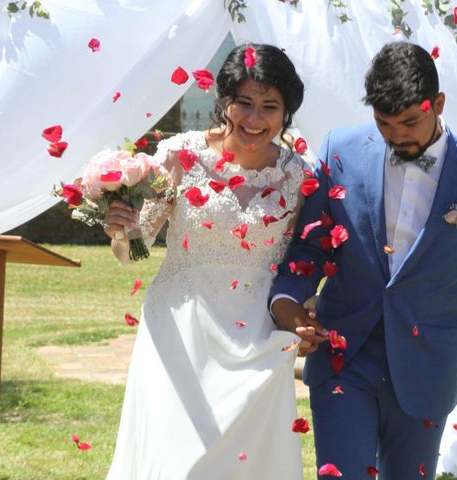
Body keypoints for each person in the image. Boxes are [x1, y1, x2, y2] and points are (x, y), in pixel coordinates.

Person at [270, 41, 457, 479]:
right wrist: (286, 301)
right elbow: (311, 246)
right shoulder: (340, 151)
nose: (397, 136)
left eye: (409, 121)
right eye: (384, 123)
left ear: (439, 104)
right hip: (344, 356)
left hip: (425, 369)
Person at [102, 43, 306, 479]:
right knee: (179, 462)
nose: (254, 119)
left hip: (257, 340)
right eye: (243, 103)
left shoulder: (299, 176)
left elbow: (304, 260)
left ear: (286, 111)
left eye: (269, 106)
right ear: (224, 103)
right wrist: (119, 228)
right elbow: (131, 249)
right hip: (180, 332)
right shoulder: (180, 156)